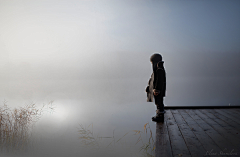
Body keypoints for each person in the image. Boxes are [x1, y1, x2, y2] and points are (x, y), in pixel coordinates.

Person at [146, 53, 166, 122]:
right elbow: (153, 79)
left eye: (152, 62)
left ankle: (160, 116)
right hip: (158, 90)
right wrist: (149, 87)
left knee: (159, 103)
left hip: (158, 90)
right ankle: (159, 114)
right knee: (158, 102)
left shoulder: (159, 69)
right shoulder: (157, 69)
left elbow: (159, 81)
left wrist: (156, 90)